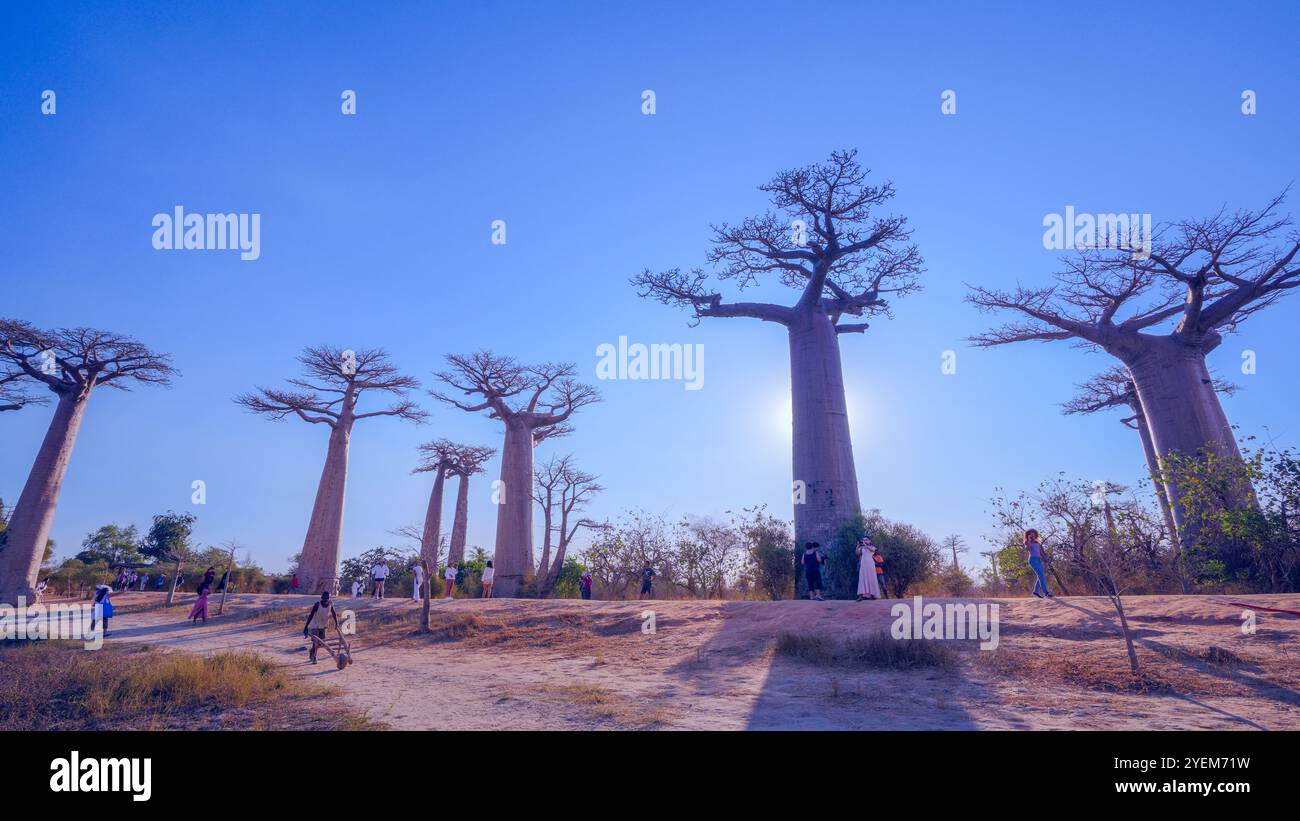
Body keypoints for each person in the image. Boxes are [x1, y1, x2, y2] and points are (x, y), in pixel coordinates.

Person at [302, 591, 342, 665]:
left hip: (323, 625)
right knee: (316, 642)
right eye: (324, 599)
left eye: (327, 598)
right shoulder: (317, 605)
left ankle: (312, 651)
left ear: (329, 599)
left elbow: (334, 613)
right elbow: (311, 615)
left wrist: (337, 623)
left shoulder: (330, 604)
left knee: (321, 643)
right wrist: (306, 627)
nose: (326, 600)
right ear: (322, 598)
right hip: (315, 625)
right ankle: (314, 657)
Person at [1025, 528, 1053, 598]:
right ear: (1028, 535)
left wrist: (1046, 559)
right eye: (1030, 533)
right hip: (1033, 560)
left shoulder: (1037, 543)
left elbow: (1041, 553)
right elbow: (1027, 549)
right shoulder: (1027, 542)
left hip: (1039, 560)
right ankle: (1046, 592)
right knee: (1041, 575)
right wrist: (1028, 540)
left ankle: (1035, 591)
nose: (1032, 534)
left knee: (1041, 575)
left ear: (1035, 534)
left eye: (1033, 533)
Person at [856, 536, 882, 601]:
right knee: (862, 579)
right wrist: (857, 546)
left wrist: (865, 545)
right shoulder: (862, 548)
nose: (865, 541)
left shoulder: (872, 547)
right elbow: (857, 553)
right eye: (863, 540)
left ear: (869, 541)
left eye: (866, 540)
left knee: (871, 578)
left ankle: (873, 595)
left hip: (870, 565)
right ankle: (860, 596)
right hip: (863, 565)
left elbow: (873, 550)